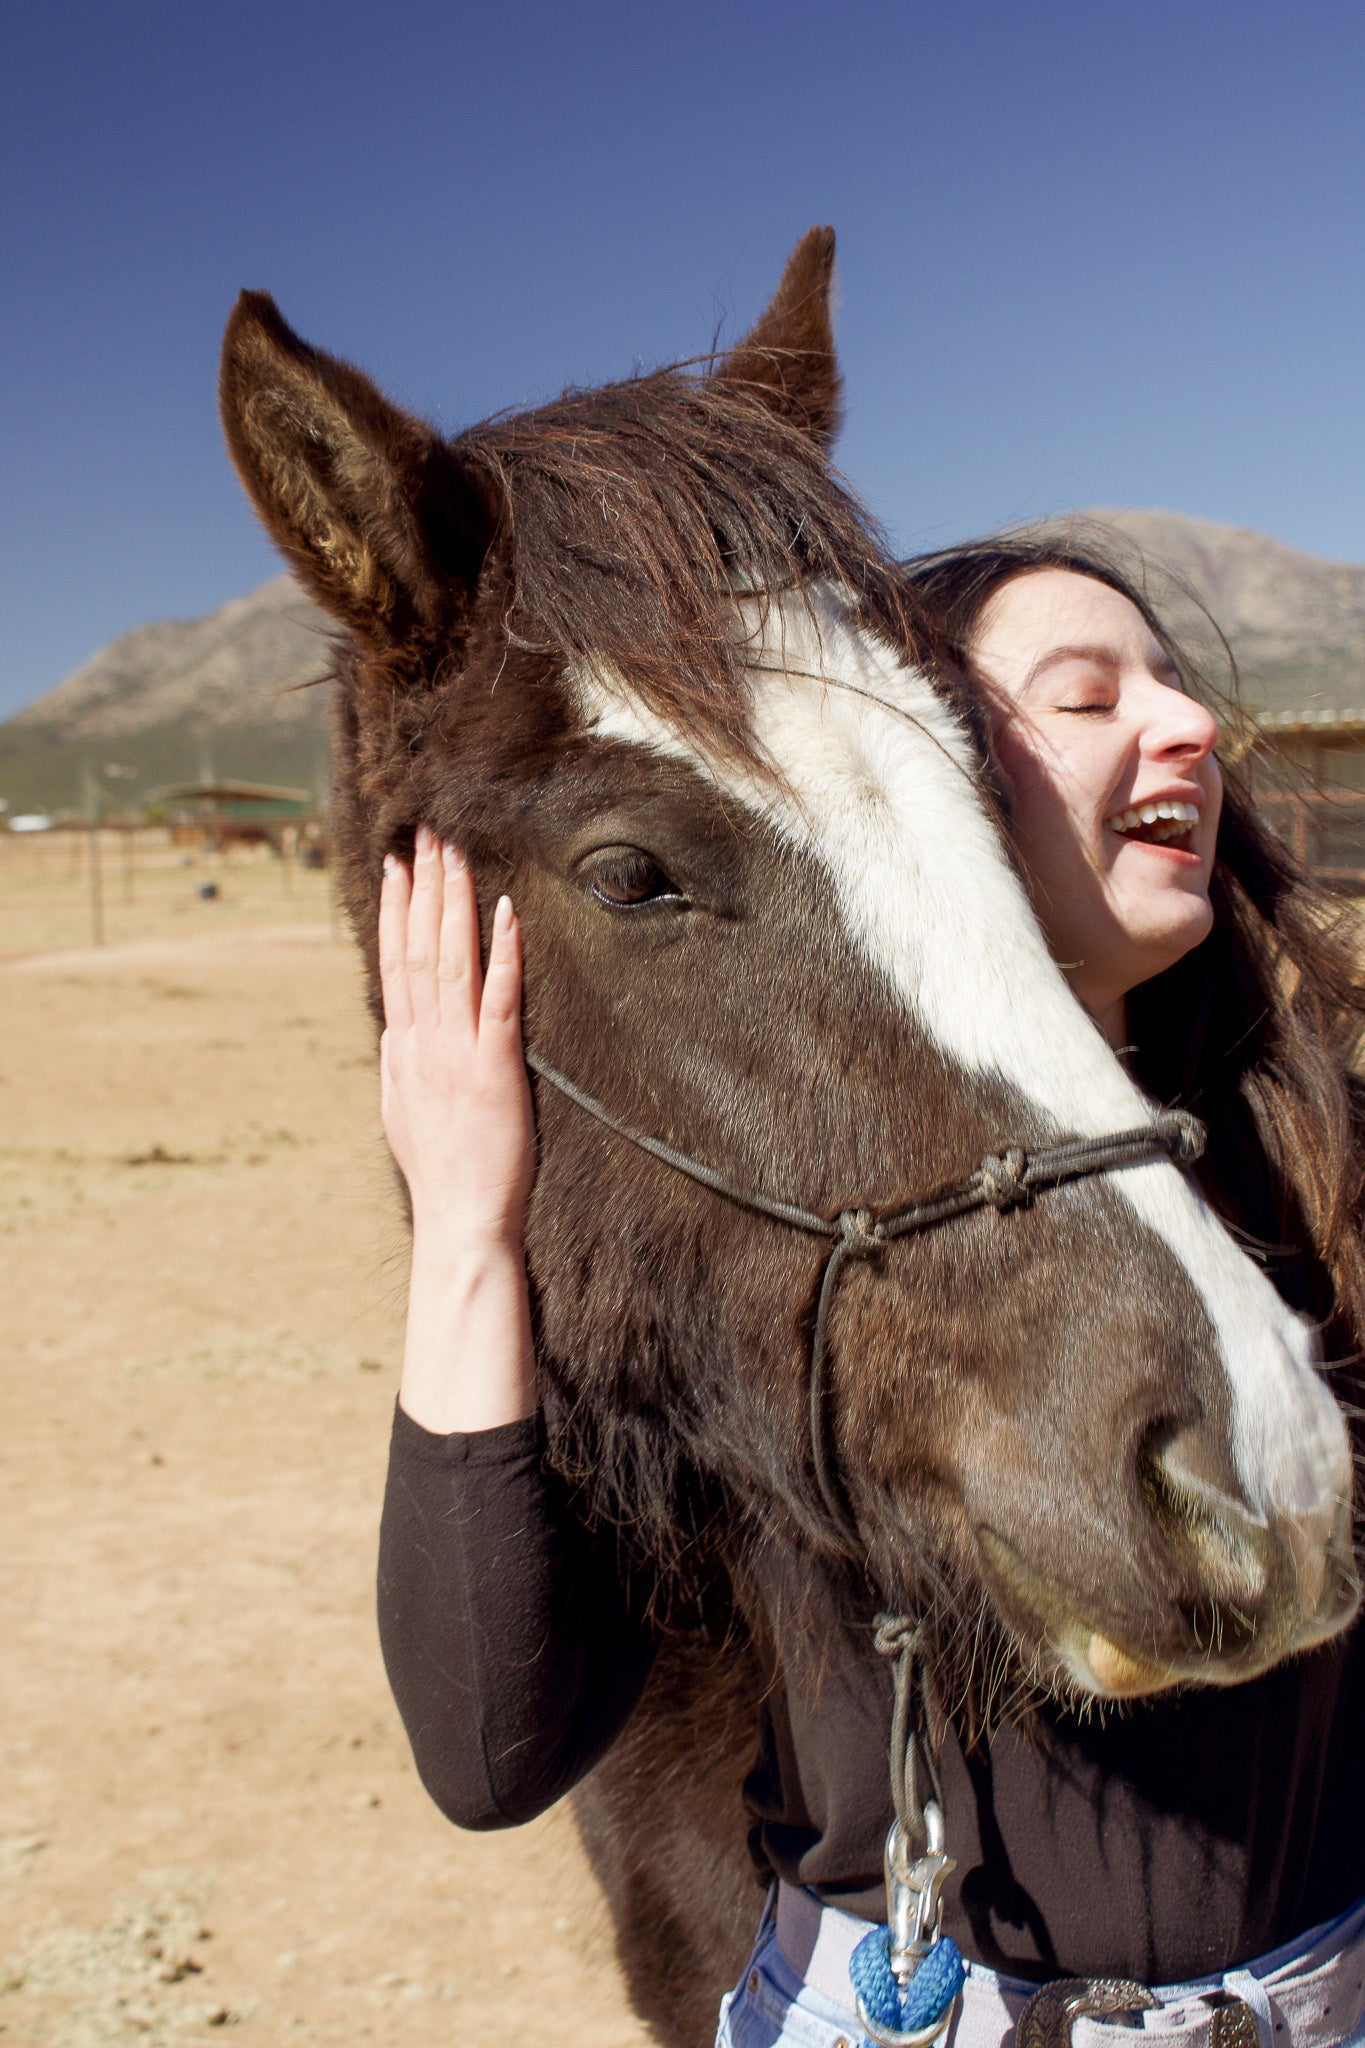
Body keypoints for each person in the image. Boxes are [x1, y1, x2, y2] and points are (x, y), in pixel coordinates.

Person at [375, 536, 1365, 2048]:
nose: (1189, 727)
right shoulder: (776, 1219)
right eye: (1087, 696)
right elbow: (494, 1747)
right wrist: (465, 1219)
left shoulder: (1331, 1160)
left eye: (1174, 683)